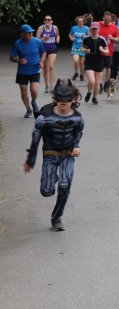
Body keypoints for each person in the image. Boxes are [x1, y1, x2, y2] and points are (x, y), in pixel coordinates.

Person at [23, 79, 84, 231]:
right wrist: (31, 158)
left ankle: (57, 218)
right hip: (50, 153)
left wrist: (76, 147)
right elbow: (36, 135)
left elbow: (78, 133)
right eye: (60, 100)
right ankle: (51, 177)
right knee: (47, 191)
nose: (64, 102)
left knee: (65, 185)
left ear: (74, 99)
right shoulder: (45, 116)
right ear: (55, 98)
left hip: (67, 154)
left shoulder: (77, 118)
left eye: (67, 100)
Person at [10, 24, 46, 118]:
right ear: (22, 34)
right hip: (22, 71)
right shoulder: (17, 43)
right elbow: (12, 57)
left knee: (34, 90)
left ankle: (34, 101)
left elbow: (44, 52)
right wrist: (19, 60)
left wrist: (41, 61)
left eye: (31, 32)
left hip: (35, 69)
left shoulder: (37, 41)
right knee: (24, 92)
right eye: (28, 33)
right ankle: (28, 109)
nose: (30, 34)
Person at [81, 22, 109, 105]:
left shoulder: (102, 39)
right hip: (89, 62)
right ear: (90, 30)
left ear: (98, 29)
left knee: (97, 82)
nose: (94, 31)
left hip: (99, 62)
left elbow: (107, 51)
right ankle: (89, 92)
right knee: (92, 81)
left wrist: (102, 50)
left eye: (96, 29)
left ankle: (94, 97)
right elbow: (82, 48)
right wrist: (86, 50)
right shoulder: (86, 39)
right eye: (92, 29)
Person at [98, 11, 119, 96]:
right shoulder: (97, 24)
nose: (107, 22)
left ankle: (106, 83)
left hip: (109, 51)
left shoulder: (114, 27)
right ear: (103, 18)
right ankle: (100, 85)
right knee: (100, 69)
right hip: (98, 51)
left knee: (108, 69)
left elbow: (117, 39)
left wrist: (112, 38)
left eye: (109, 20)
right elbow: (90, 33)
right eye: (106, 20)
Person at [36, 15, 60, 93]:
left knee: (51, 67)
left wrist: (58, 39)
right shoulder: (41, 28)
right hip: (43, 50)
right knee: (45, 69)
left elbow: (57, 36)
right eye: (46, 20)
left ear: (52, 21)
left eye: (49, 20)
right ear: (44, 21)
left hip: (52, 49)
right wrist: (44, 38)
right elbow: (36, 40)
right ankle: (46, 85)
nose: (47, 21)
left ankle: (51, 86)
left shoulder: (55, 28)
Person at [69, 16, 88, 82]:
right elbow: (70, 34)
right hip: (75, 47)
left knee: (82, 63)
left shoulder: (86, 28)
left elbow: (90, 36)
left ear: (83, 22)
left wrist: (85, 36)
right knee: (76, 61)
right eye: (79, 21)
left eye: (81, 21)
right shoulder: (74, 28)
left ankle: (81, 75)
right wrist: (71, 38)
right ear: (77, 22)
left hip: (83, 47)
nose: (80, 22)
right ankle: (76, 73)